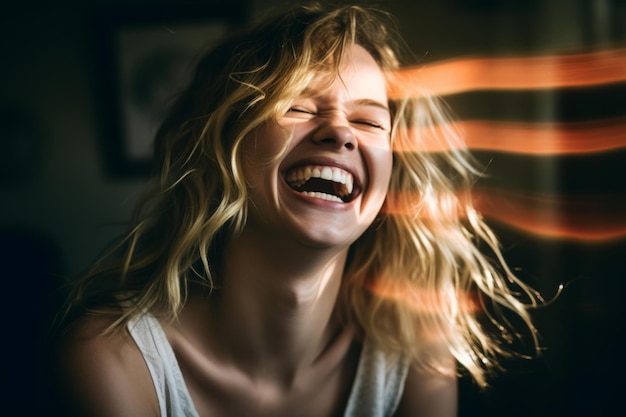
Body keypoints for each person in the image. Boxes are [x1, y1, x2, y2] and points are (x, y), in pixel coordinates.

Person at [51, 3, 545, 416]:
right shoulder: (115, 360)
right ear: (224, 142)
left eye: (369, 122)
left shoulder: (415, 351)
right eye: (298, 106)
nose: (340, 132)